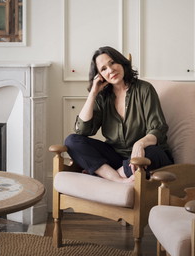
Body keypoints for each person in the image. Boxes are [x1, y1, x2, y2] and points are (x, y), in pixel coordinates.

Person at [65, 46, 173, 183]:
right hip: (117, 157)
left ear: (121, 62)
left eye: (112, 63)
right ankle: (117, 178)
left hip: (147, 155)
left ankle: (105, 175)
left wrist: (139, 144)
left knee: (152, 152)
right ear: (100, 75)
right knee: (71, 141)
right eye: (103, 69)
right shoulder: (103, 97)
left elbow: (158, 128)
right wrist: (93, 93)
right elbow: (83, 130)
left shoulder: (145, 89)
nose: (111, 70)